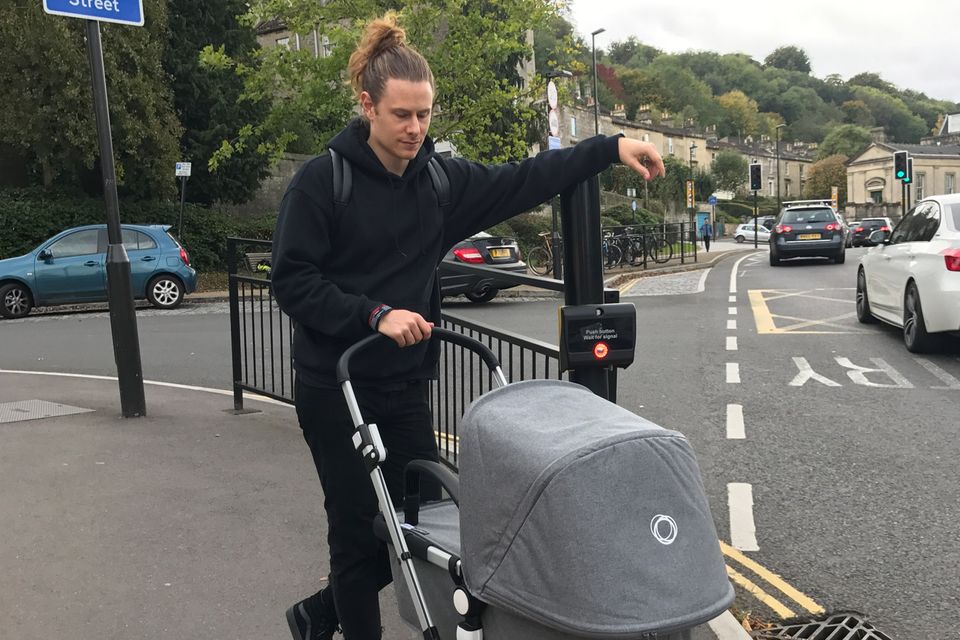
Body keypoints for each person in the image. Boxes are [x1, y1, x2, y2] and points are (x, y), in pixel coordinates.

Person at [270, 13, 665, 640]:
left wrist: (609, 149)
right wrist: (373, 313)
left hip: (404, 384)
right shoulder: (323, 184)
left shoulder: (438, 182)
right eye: (402, 115)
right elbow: (292, 281)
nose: (415, 128)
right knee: (354, 532)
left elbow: (524, 179)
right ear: (367, 105)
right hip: (335, 386)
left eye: (425, 114)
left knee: (419, 522)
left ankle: (319, 615)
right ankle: (338, 622)